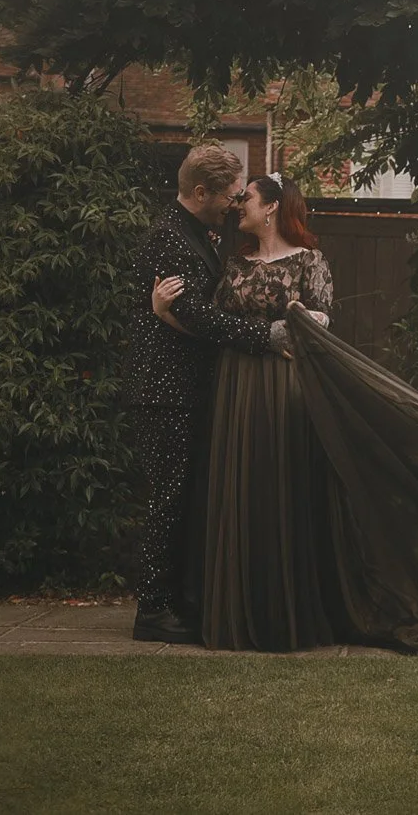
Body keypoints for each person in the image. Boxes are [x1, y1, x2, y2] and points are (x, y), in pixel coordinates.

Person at [153, 172, 418, 653]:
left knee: (280, 489)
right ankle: (239, 615)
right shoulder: (233, 264)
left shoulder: (309, 261)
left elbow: (320, 321)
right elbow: (215, 326)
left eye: (247, 198)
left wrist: (301, 319)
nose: (239, 206)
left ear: (273, 206)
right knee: (241, 491)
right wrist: (166, 313)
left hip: (283, 390)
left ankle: (284, 617)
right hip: (233, 390)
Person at [123, 146, 287, 645]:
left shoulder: (201, 233)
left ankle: (180, 599)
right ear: (201, 193)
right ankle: (153, 611)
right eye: (231, 197)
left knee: (186, 496)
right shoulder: (170, 239)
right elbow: (195, 313)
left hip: (189, 385)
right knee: (168, 498)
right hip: (167, 389)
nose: (236, 205)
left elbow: (191, 308)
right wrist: (265, 337)